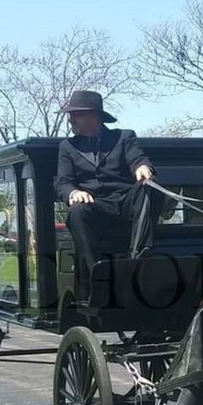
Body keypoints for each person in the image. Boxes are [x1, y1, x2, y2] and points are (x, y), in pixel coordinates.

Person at [55, 90, 164, 294]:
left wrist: (142, 167)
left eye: (76, 114)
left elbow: (137, 158)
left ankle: (138, 256)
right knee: (77, 211)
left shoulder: (123, 137)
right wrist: (73, 193)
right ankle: (96, 273)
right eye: (71, 115)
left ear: (93, 115)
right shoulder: (67, 147)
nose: (71, 120)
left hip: (125, 202)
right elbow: (63, 182)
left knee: (149, 187)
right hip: (95, 206)